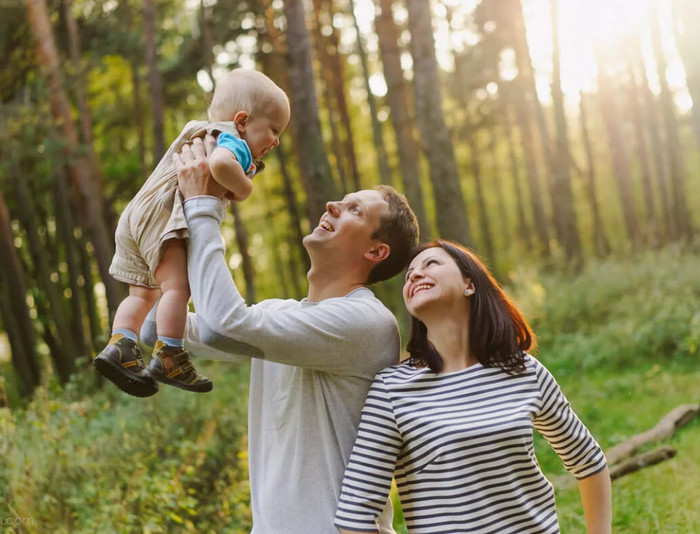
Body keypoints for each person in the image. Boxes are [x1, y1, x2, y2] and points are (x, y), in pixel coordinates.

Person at [138, 134, 420, 532]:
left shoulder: (366, 323)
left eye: (354, 209)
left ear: (376, 252)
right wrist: (173, 208)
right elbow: (158, 326)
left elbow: (222, 325)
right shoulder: (278, 316)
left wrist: (204, 207)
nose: (332, 205)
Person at [335, 240, 612, 534]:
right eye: (409, 274)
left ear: (469, 284)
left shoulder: (522, 370)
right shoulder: (392, 390)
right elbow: (355, 514)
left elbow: (589, 461)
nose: (415, 274)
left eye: (431, 264)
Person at [93, 69, 290, 397]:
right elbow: (222, 166)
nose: (276, 141)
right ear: (241, 120)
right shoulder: (232, 141)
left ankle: (120, 345)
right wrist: (244, 190)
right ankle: (169, 353)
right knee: (177, 289)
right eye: (273, 130)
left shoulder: (197, 133)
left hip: (135, 218)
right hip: (164, 217)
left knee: (142, 295)